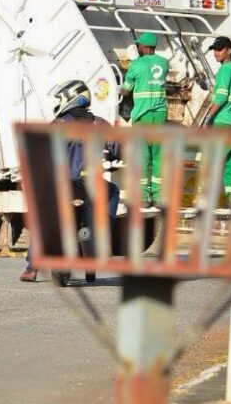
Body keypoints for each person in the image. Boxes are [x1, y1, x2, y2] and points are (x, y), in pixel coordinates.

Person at [20, 79, 120, 282]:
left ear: (72, 98)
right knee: (114, 191)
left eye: (61, 98)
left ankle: (32, 268)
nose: (59, 102)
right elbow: (119, 147)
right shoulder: (99, 123)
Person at [120, 31, 168, 206]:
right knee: (158, 155)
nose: (138, 47)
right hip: (161, 114)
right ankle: (158, 196)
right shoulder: (164, 63)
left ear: (144, 47)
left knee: (143, 156)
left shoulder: (136, 64)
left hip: (143, 114)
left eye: (139, 45)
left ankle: (143, 197)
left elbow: (126, 89)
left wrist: (120, 90)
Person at [202, 35, 231, 203]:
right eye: (215, 50)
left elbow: (220, 99)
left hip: (223, 123)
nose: (216, 53)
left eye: (220, 50)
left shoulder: (225, 70)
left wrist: (208, 117)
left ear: (229, 50)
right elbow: (229, 94)